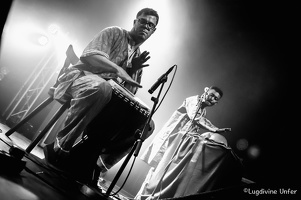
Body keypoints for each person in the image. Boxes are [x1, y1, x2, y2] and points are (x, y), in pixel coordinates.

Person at [43, 8, 159, 186]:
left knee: (146, 123)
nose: (145, 26)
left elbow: (126, 93)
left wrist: (131, 70)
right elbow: (91, 56)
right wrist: (120, 69)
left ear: (153, 31)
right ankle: (60, 148)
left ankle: (95, 164)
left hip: (107, 98)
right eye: (142, 21)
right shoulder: (114, 32)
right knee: (101, 88)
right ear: (135, 22)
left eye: (150, 25)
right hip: (81, 79)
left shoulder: (138, 60)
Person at [136, 86, 242, 199]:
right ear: (205, 90)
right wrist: (214, 129)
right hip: (170, 139)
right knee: (156, 170)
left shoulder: (203, 112)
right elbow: (194, 117)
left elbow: (197, 124)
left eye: (215, 99)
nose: (212, 99)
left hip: (178, 144)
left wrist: (212, 131)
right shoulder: (193, 101)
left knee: (162, 172)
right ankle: (140, 197)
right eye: (211, 95)